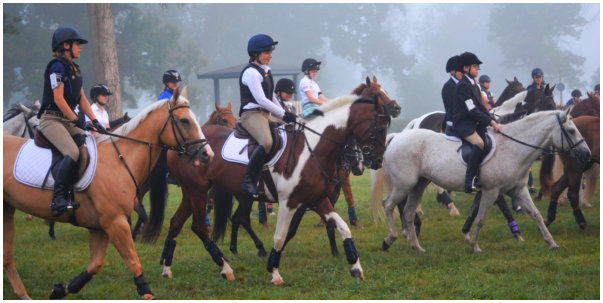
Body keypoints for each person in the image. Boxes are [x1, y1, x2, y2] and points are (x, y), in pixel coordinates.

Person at [38, 26, 107, 217]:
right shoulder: (57, 67)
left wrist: (95, 121)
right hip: (51, 119)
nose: (80, 47)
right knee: (72, 152)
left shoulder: (75, 69)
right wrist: (78, 121)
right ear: (66, 45)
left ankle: (74, 192)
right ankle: (57, 200)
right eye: (77, 44)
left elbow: (82, 99)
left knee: (87, 149)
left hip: (67, 120)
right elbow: (58, 99)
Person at [239, 34, 297, 196]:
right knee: (267, 142)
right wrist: (282, 113)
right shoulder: (251, 73)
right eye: (266, 52)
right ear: (256, 54)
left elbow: (270, 96)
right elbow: (261, 99)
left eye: (271, 51)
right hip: (251, 114)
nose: (270, 55)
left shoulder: (264, 71)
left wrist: (286, 115)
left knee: (293, 129)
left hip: (264, 114)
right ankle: (248, 182)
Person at [452, 52, 501, 193]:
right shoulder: (462, 86)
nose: (477, 70)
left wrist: (494, 120)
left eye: (477, 67)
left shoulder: (474, 85)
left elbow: (481, 107)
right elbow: (471, 110)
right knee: (479, 143)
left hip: (474, 122)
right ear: (465, 68)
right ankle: (469, 181)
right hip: (463, 123)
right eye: (474, 67)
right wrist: (491, 122)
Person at [258, 78, 297, 223]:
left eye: (291, 93)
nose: (290, 95)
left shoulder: (291, 107)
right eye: (287, 93)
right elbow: (273, 120)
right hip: (276, 136)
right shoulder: (274, 105)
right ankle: (262, 215)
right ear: (279, 93)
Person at [441, 55, 462, 135]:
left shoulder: (462, 85)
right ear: (453, 71)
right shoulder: (449, 87)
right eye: (460, 70)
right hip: (454, 124)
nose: (463, 73)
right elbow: (454, 108)